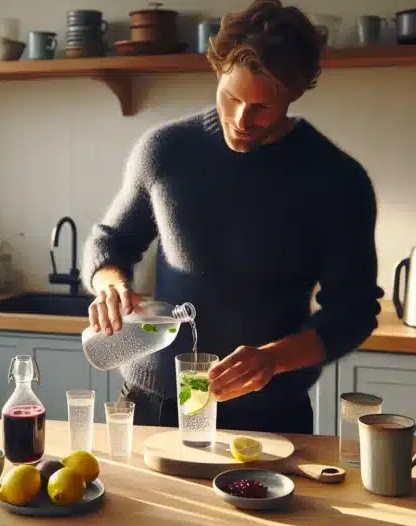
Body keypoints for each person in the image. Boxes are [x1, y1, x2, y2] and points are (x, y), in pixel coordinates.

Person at [80, 0, 382, 435]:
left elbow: (351, 314)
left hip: (271, 416)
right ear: (217, 72)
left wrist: (273, 359)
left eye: (263, 108)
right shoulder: (165, 151)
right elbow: (111, 242)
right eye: (232, 97)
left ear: (295, 93)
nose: (242, 120)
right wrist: (111, 286)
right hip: (154, 404)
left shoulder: (338, 181)